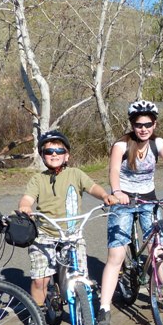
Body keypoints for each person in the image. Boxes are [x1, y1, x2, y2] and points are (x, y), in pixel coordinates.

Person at [97, 100, 163, 325]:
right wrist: (117, 191)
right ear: (132, 124)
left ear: (155, 123)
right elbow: (113, 171)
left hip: (147, 199)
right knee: (117, 254)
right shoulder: (121, 145)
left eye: (148, 124)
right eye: (138, 124)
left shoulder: (158, 143)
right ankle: (104, 308)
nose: (143, 129)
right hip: (123, 200)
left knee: (157, 248)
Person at [18, 130, 117, 312]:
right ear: (42, 155)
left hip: (72, 235)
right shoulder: (38, 179)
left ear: (67, 155)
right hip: (44, 234)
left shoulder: (75, 174)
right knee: (40, 280)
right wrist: (25, 207)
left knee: (78, 277)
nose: (54, 154)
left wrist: (104, 195)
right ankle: (37, 317)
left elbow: (92, 187)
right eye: (48, 151)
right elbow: (28, 198)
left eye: (58, 150)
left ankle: (85, 318)